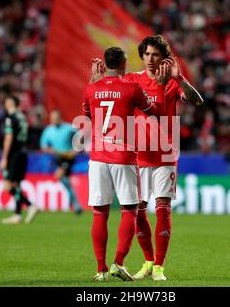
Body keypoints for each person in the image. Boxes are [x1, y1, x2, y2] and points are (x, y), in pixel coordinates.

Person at [91, 35, 204, 281]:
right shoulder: (132, 80)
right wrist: (98, 80)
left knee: (163, 209)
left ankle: (160, 268)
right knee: (138, 212)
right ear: (141, 56)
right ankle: (149, 261)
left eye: (156, 54)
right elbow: (107, 95)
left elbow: (197, 101)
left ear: (164, 58)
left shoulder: (173, 83)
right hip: (137, 156)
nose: (151, 59)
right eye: (147, 54)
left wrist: (180, 78)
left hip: (165, 154)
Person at [83, 46, 169, 282]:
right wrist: (160, 86)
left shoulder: (92, 88)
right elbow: (157, 113)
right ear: (123, 65)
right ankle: (118, 263)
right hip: (123, 156)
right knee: (129, 210)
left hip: (98, 157)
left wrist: (94, 80)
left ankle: (100, 270)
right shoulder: (132, 88)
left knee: (99, 213)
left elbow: (87, 116)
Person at [0, 95, 39, 225]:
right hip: (23, 153)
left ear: (10, 103)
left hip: (14, 155)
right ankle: (17, 215)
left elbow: (8, 138)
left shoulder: (11, 118)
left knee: (8, 186)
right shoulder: (22, 117)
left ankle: (30, 206)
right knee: (16, 185)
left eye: (6, 101)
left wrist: (5, 157)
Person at [40, 109, 83, 214]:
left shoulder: (68, 128)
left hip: (68, 157)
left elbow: (82, 135)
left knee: (58, 175)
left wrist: (76, 149)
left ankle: (76, 204)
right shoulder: (48, 130)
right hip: (58, 158)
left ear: (60, 118)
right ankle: (72, 204)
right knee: (66, 180)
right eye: (52, 118)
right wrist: (51, 150)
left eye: (55, 118)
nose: (53, 120)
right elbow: (43, 146)